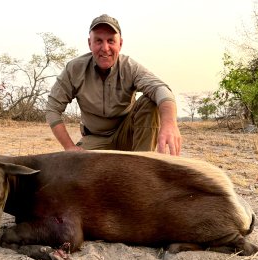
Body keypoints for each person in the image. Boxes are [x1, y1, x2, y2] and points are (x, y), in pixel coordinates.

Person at [46, 14, 181, 155]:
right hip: (95, 138)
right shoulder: (74, 69)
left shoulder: (130, 67)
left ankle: (142, 163)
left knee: (150, 101)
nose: (105, 48)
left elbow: (160, 89)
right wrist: (69, 147)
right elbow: (52, 109)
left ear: (120, 44)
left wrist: (169, 123)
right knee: (78, 169)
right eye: (98, 41)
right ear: (89, 43)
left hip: (127, 134)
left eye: (111, 41)